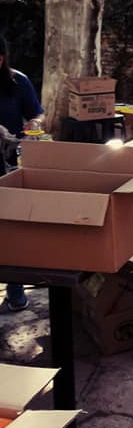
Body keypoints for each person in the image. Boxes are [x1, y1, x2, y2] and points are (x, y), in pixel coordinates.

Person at [0, 35, 44, 312]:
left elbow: (37, 115)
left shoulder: (18, 82)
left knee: (10, 230)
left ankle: (16, 294)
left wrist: (32, 127)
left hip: (9, 165)